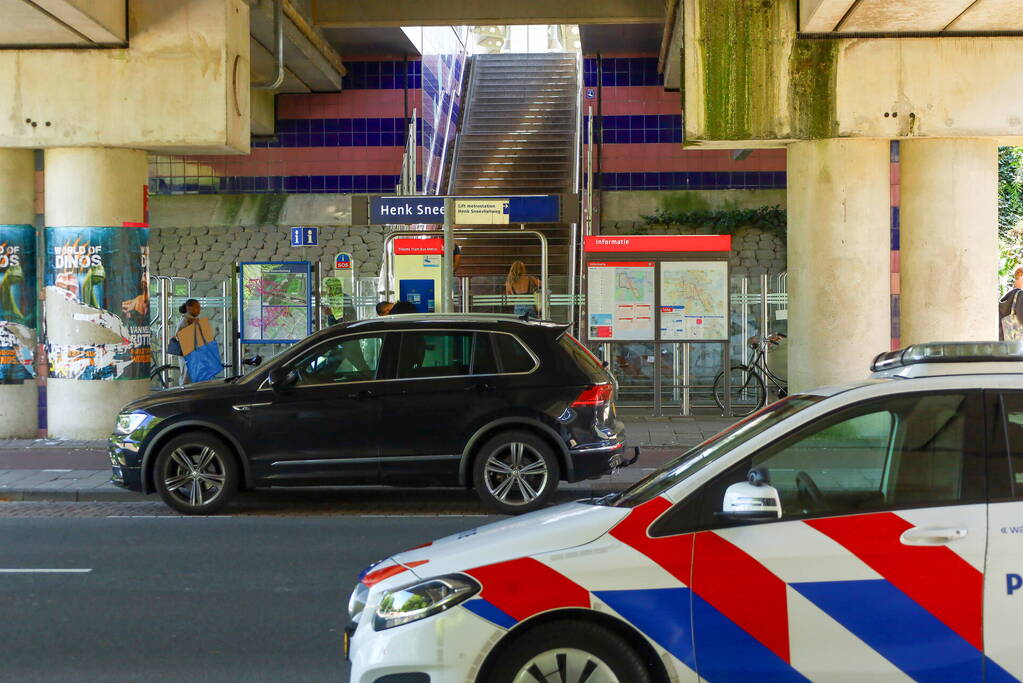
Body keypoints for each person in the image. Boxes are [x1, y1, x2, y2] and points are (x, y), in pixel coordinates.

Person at [1000, 267, 1023, 341]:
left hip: (1003, 343)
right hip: (1017, 346)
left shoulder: (1006, 296)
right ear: (1021, 275)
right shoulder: (1020, 296)